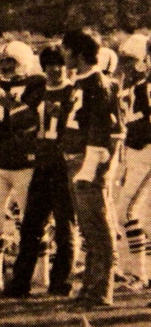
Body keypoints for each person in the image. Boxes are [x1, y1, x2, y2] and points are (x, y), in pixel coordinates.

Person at [4, 45, 76, 297]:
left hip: (63, 166)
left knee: (65, 228)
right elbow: (20, 122)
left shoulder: (73, 92)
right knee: (31, 226)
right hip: (41, 165)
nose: (55, 69)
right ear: (43, 67)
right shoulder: (38, 91)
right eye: (50, 65)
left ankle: (60, 284)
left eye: (60, 64)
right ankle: (20, 283)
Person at [60, 29, 121, 308]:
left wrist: (90, 166)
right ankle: (90, 288)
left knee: (98, 225)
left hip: (88, 164)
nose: (62, 54)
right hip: (75, 161)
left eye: (66, 49)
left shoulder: (99, 84)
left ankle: (101, 290)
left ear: (79, 53)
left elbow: (104, 129)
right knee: (87, 228)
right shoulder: (79, 82)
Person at [0, 39, 42, 291]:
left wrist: (7, 104)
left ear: (24, 61)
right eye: (3, 61)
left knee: (31, 221)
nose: (5, 66)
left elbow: (30, 117)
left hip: (26, 161)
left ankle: (41, 275)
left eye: (11, 61)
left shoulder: (37, 83)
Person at [116, 33, 151, 288]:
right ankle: (143, 274)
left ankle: (139, 274)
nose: (125, 66)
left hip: (147, 153)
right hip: (134, 154)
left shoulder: (147, 88)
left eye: (130, 61)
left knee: (126, 211)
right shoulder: (133, 88)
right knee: (143, 216)